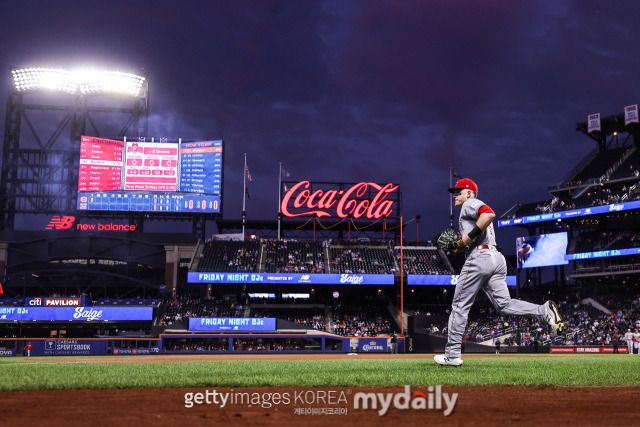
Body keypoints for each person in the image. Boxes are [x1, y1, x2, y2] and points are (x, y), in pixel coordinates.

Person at [434, 178, 563, 367]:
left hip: (480, 258)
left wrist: (466, 240)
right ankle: (543, 311)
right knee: (504, 304)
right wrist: (461, 245)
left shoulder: (469, 203)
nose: (455, 194)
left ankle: (452, 355)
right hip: (495, 257)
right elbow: (475, 234)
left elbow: (489, 214)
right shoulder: (471, 209)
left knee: (460, 305)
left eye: (458, 191)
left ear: (469, 193)